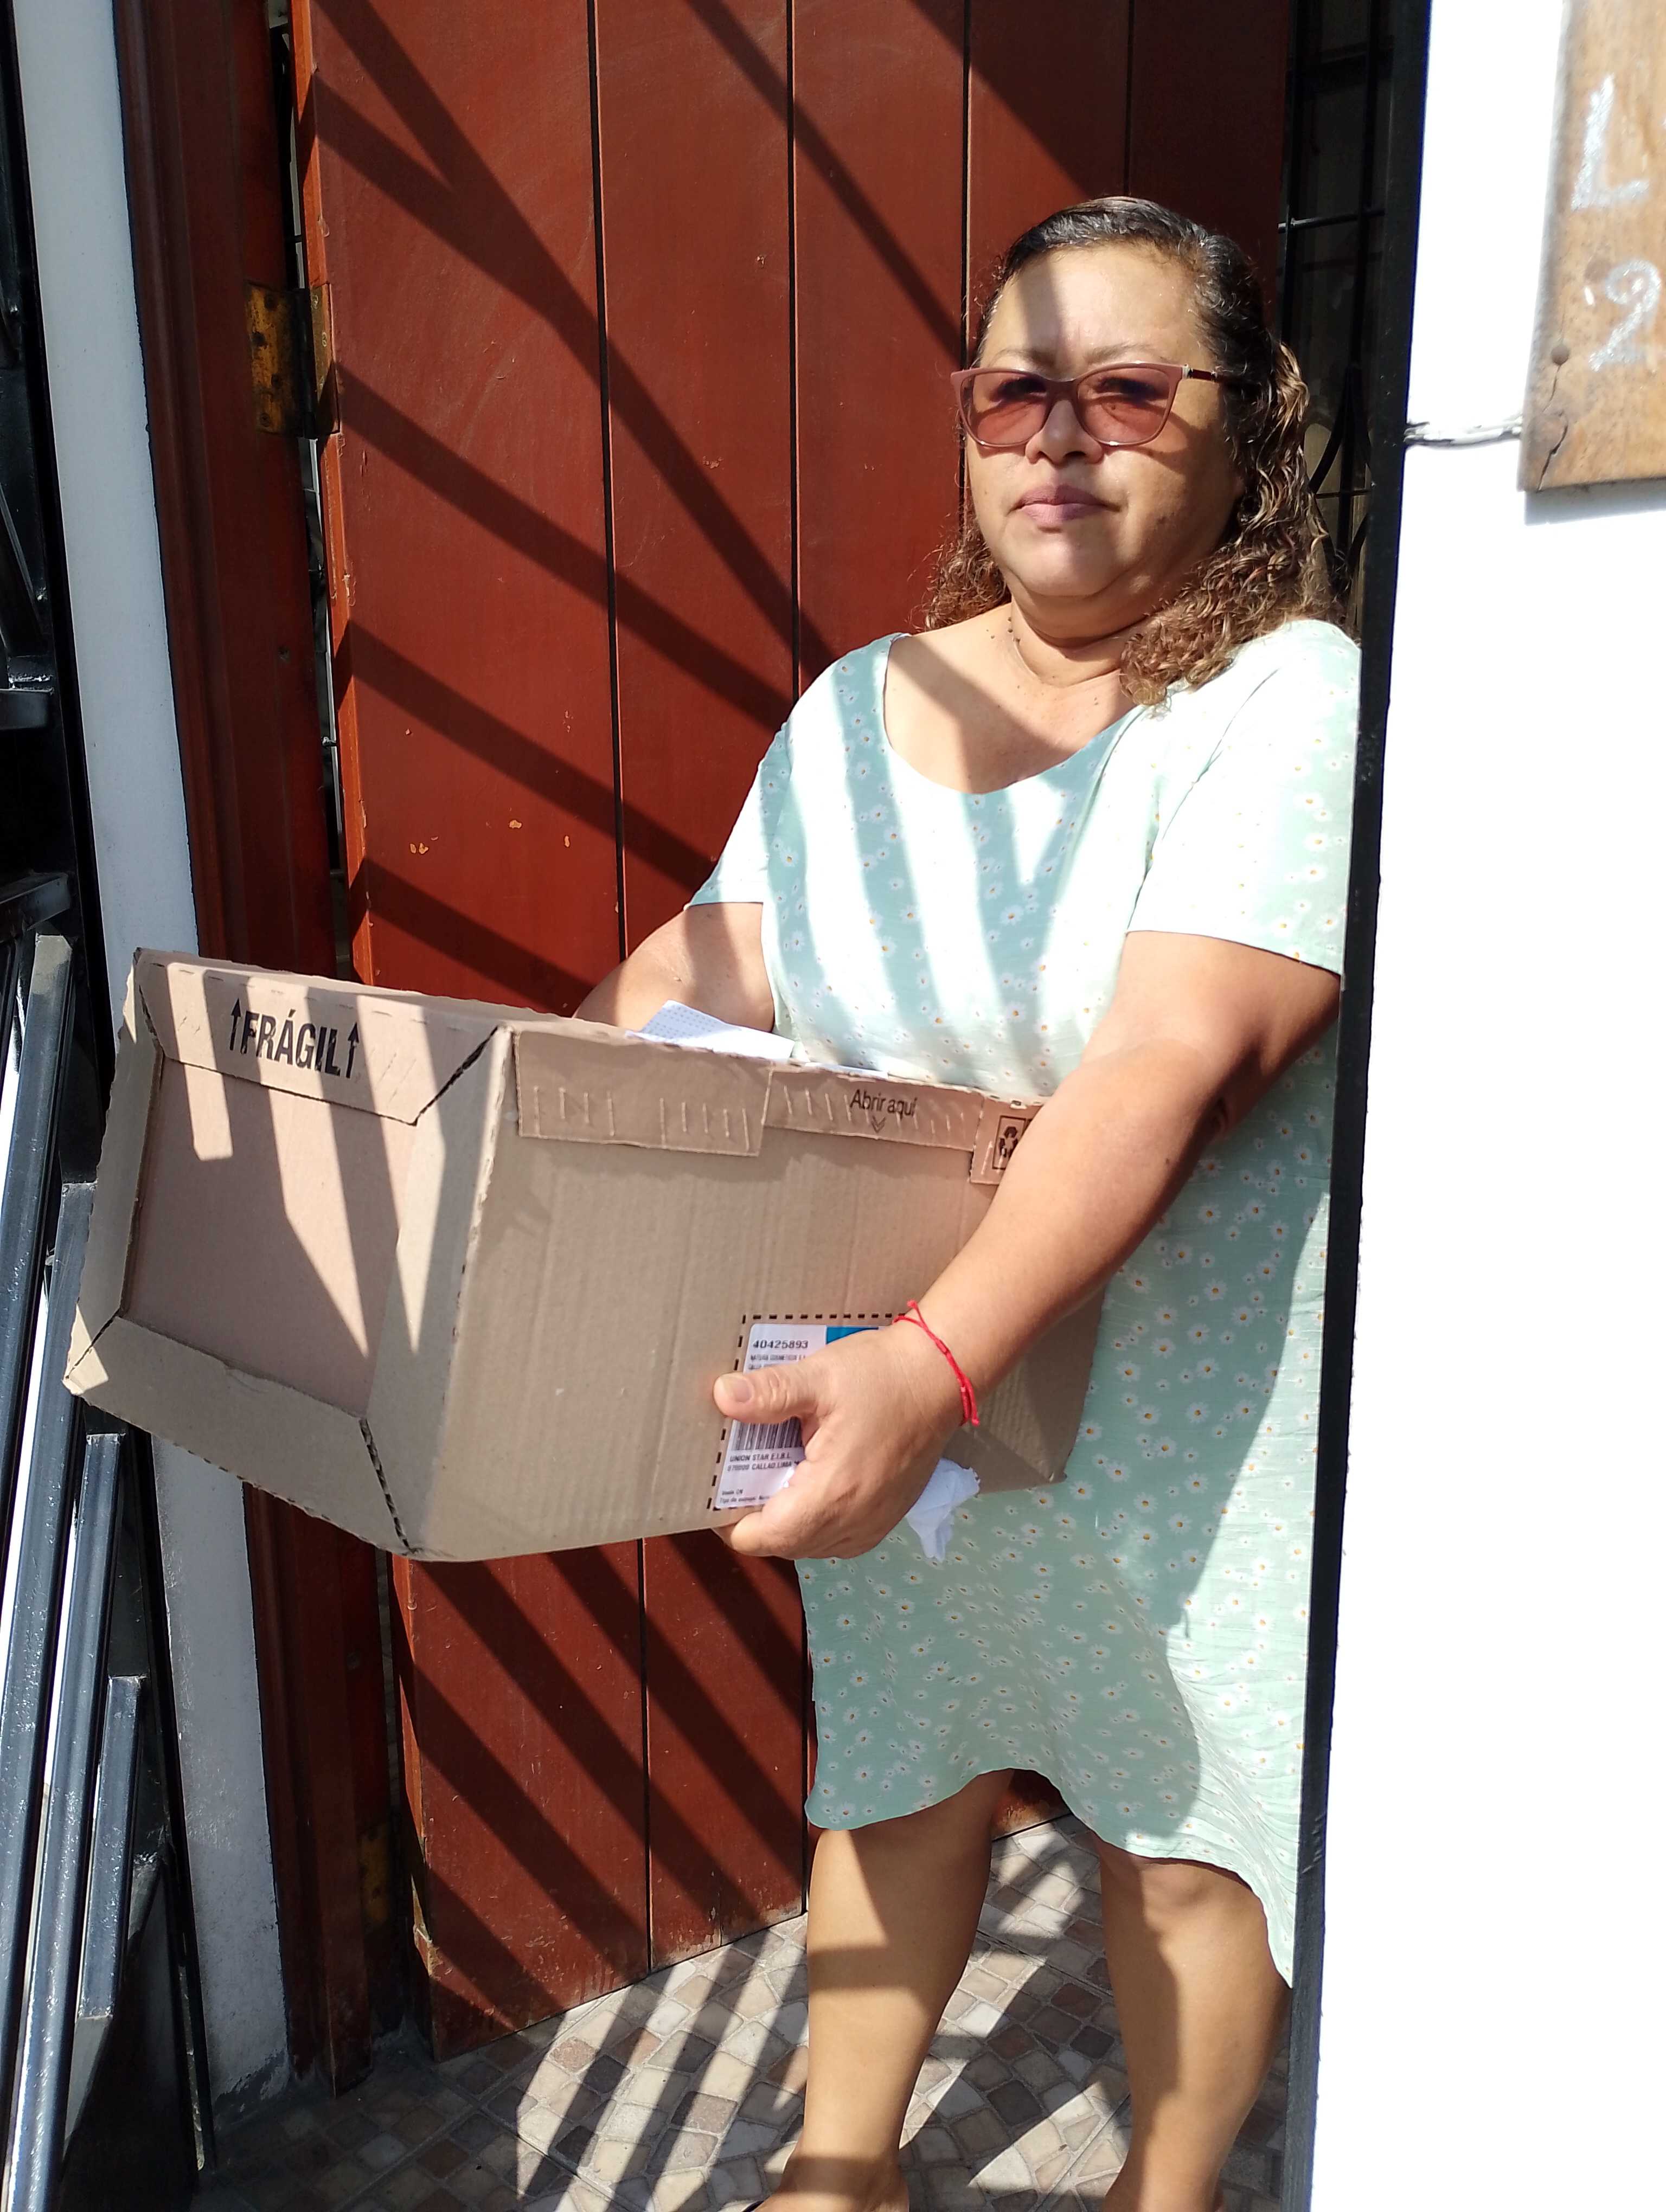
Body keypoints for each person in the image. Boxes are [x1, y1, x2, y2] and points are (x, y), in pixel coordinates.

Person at [579, 196, 1359, 2212]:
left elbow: (1169, 1061)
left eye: (1130, 390)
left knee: (1178, 1830)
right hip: (903, 1390)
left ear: (1247, 424)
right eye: (1016, 391)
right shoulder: (857, 708)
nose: (1061, 437)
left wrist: (933, 1362)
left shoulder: (1283, 697)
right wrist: (514, 1151)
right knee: (902, 1757)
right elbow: (701, 971)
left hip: (1174, 1416)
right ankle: (842, 2166)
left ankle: (1166, 2190)